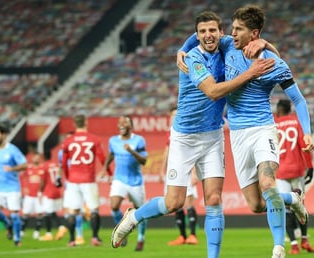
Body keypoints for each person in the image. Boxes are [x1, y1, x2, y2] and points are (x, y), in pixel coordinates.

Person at [111, 10, 276, 258]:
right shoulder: (192, 59)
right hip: (184, 138)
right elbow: (212, 91)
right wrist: (249, 74)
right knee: (173, 203)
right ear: (196, 35)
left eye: (212, 31)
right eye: (202, 32)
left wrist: (263, 42)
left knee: (213, 199)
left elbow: (269, 51)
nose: (207, 35)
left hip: (212, 137)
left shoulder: (227, 45)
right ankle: (134, 216)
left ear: (221, 34)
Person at [177, 5, 314, 258]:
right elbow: (203, 34)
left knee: (267, 182)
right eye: (232, 28)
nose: (232, 33)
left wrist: (307, 132)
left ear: (254, 33)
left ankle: (278, 247)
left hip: (263, 129)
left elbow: (299, 100)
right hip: (237, 135)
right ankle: (292, 200)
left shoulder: (274, 64)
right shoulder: (229, 45)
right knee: (255, 205)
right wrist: (183, 49)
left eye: (238, 29)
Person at [60, 114, 111, 247]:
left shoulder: (68, 141)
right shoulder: (93, 139)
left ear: (74, 124)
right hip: (88, 180)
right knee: (94, 209)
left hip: (73, 180)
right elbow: (102, 157)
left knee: (72, 211)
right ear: (86, 123)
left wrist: (67, 176)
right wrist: (108, 172)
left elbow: (64, 163)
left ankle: (71, 240)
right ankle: (94, 238)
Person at [275, 99, 314, 255]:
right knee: (300, 206)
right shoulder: (296, 122)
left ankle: (293, 245)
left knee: (286, 209)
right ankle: (305, 239)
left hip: (281, 172)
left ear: (279, 110)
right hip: (297, 169)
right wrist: (310, 167)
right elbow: (304, 145)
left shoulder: (274, 124)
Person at [102, 115, 148, 251]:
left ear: (131, 126)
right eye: (119, 123)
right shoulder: (113, 141)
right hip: (119, 179)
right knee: (114, 206)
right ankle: (122, 233)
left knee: (141, 211)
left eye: (125, 122)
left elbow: (144, 161)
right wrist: (105, 168)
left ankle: (141, 238)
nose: (121, 125)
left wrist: (131, 151)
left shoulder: (138, 140)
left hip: (135, 181)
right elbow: (111, 155)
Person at [160, 106, 199, 246]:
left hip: (187, 172)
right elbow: (167, 151)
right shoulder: (170, 133)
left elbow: (192, 152)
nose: (174, 118)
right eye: (172, 115)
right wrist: (161, 170)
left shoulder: (187, 130)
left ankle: (193, 235)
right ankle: (182, 236)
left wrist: (194, 173)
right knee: (175, 205)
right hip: (173, 173)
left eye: (176, 115)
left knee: (189, 203)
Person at [0, 124, 28, 246]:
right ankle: (7, 225)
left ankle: (17, 239)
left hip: (12, 188)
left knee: (14, 215)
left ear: (3, 135)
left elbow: (25, 165)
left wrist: (12, 168)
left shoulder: (13, 150)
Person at [57, 131, 85, 244]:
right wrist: (58, 177)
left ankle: (78, 236)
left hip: (80, 183)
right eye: (66, 139)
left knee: (76, 211)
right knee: (69, 211)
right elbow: (60, 166)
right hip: (68, 184)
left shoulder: (80, 152)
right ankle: (69, 230)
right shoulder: (61, 152)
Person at [39, 154, 67, 241]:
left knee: (47, 214)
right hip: (57, 192)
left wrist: (40, 191)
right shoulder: (56, 165)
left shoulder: (44, 166)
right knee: (53, 213)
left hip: (49, 192)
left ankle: (49, 234)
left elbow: (43, 181)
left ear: (43, 157)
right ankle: (61, 227)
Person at [19, 153, 45, 240]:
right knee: (26, 213)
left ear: (40, 159)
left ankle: (36, 232)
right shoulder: (28, 168)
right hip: (29, 195)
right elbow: (22, 178)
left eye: (38, 158)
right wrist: (24, 187)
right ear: (32, 158)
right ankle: (22, 231)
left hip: (39, 195)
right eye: (35, 157)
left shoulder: (42, 168)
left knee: (39, 214)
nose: (36, 159)